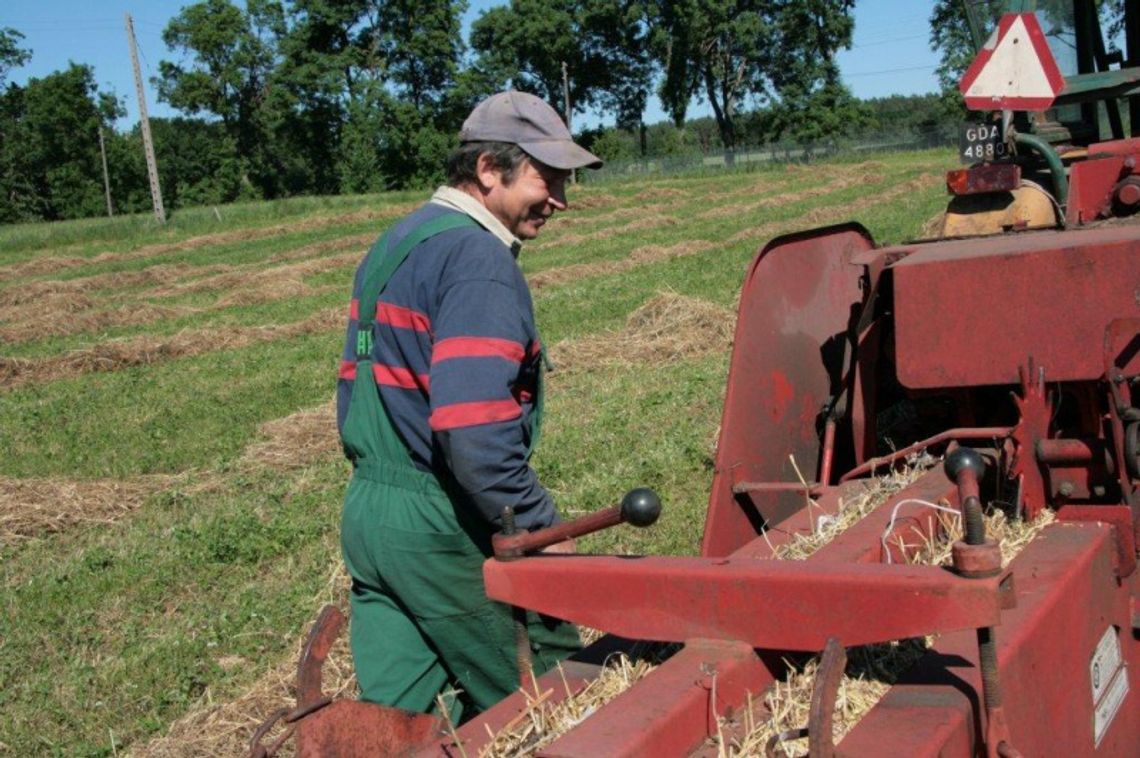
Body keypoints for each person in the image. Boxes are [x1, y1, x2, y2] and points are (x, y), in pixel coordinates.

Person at [336, 91, 603, 721]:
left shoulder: (397, 241)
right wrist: (540, 529)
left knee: (405, 725)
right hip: (442, 524)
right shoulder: (478, 261)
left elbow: (359, 389)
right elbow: (472, 432)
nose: (561, 199)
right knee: (562, 702)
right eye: (547, 177)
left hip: (372, 518)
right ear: (489, 169)